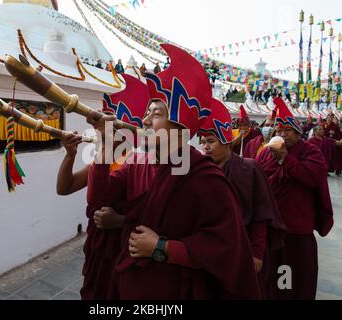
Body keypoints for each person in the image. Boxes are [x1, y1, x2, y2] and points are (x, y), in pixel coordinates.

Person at [87, 44, 261, 300]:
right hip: (131, 283)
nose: (144, 121)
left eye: (155, 115)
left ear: (180, 125)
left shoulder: (204, 177)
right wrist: (104, 148)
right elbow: (97, 200)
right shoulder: (137, 163)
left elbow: (225, 246)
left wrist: (162, 247)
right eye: (146, 113)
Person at [56, 74, 150, 300]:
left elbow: (153, 214)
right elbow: (65, 187)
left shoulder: (141, 163)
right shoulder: (102, 160)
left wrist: (118, 221)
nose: (102, 132)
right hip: (100, 245)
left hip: (126, 244)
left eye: (111, 127)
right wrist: (70, 155)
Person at [199, 98, 286, 298]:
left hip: (243, 246)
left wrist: (257, 251)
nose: (205, 147)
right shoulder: (201, 171)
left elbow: (261, 214)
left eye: (211, 141)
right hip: (210, 249)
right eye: (203, 142)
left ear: (227, 141)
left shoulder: (249, 169)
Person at [256, 97, 334, 300]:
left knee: (294, 282)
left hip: (296, 231)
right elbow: (256, 180)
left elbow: (312, 177)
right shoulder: (265, 153)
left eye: (287, 131)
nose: (282, 134)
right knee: (271, 282)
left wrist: (285, 158)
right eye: (279, 130)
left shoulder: (311, 152)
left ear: (298, 133)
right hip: (271, 230)